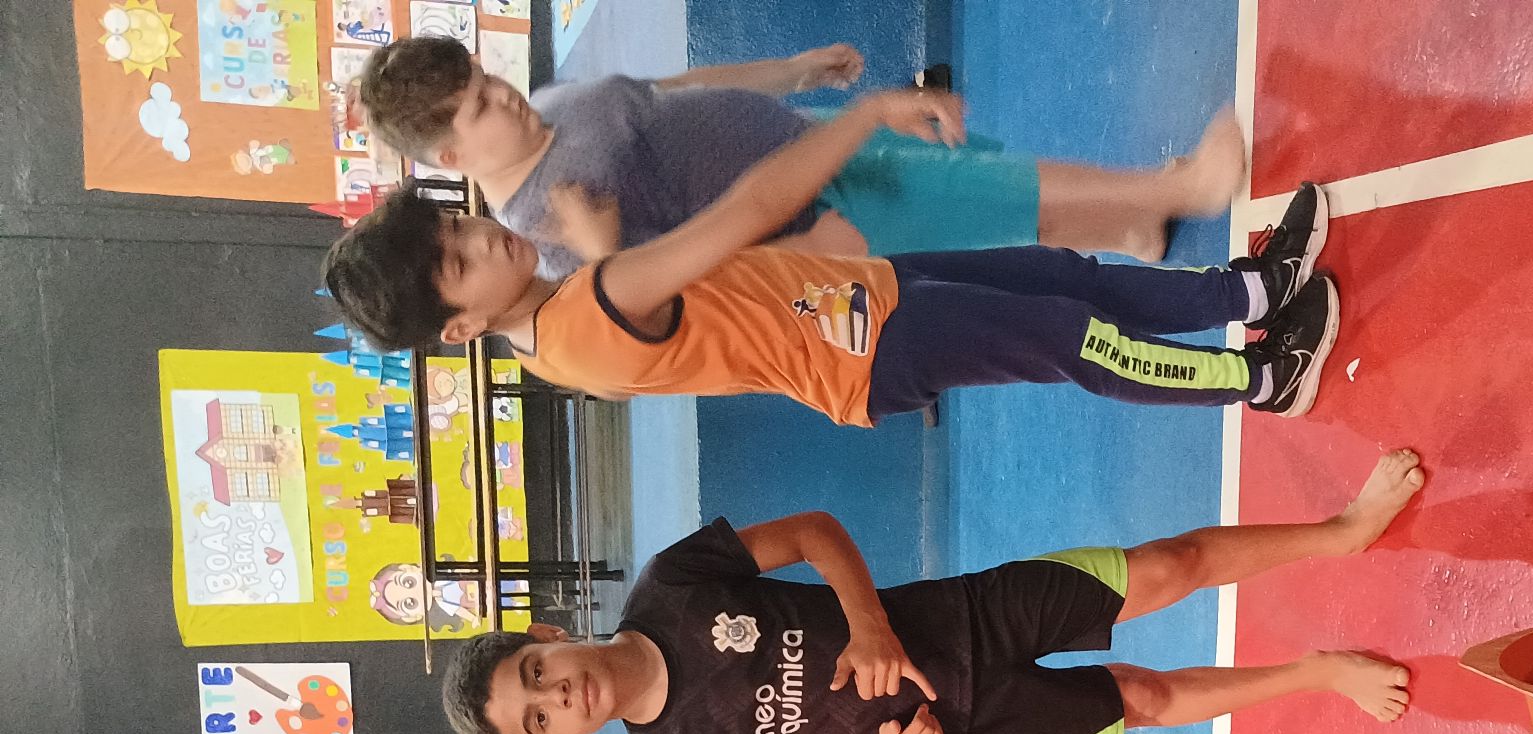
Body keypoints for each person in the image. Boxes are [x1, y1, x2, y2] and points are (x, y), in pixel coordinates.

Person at [437, 449, 1427, 734]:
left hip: (961, 613)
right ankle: (1316, 672)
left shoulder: (672, 583)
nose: (556, 696)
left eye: (537, 672)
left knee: (1164, 568)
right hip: (961, 724)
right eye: (537, 719)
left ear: (548, 633)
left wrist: (868, 621)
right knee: (1144, 702)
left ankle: (1341, 531)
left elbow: (814, 533)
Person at [320, 91, 1340, 421]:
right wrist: (867, 111)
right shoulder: (590, 307)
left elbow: (702, 307)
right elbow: (751, 206)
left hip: (857, 295)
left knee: (1062, 278)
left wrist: (596, 251)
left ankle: (1247, 289)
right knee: (1072, 337)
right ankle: (1258, 377)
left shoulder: (557, 322)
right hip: (866, 348)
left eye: (456, 227)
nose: (481, 237)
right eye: (459, 262)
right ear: (459, 326)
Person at [354, 35, 1243, 275]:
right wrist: (805, 257)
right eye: (480, 105)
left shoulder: (548, 106)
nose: (504, 95)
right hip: (820, 208)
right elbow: (680, 280)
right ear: (450, 152)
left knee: (986, 186)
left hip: (808, 139)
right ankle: (1185, 190)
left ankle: (1126, 225)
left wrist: (788, 73)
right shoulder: (550, 229)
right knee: (988, 187)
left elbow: (674, 89)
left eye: (487, 78)